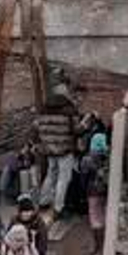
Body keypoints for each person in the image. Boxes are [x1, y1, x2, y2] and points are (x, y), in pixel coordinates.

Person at [34, 89, 78, 217]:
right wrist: (85, 125)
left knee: (50, 174)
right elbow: (75, 130)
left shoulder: (44, 111)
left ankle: (43, 200)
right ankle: (59, 207)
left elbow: (38, 128)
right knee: (63, 178)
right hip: (64, 150)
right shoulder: (69, 111)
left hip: (49, 149)